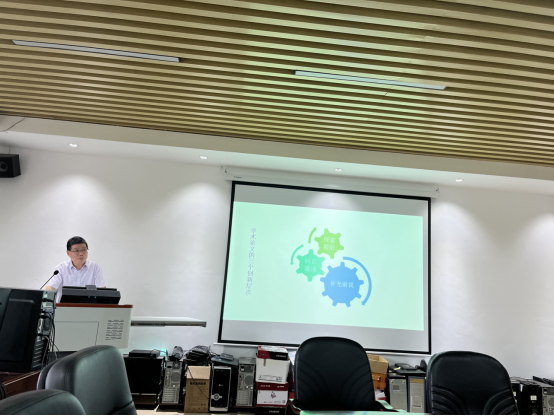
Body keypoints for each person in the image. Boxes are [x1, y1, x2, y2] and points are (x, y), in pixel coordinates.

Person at [46, 236, 106, 302]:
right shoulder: (61, 268)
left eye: (83, 250)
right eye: (76, 251)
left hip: (88, 306)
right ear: (68, 253)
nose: (81, 254)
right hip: (64, 307)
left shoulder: (95, 267)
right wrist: (46, 302)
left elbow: (101, 289)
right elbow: (51, 288)